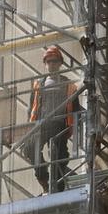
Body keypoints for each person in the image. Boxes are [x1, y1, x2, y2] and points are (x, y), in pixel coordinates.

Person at [23, 46, 81, 193]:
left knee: (58, 154)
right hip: (42, 123)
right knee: (30, 148)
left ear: (60, 63)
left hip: (60, 124)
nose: (52, 64)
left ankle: (57, 187)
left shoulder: (69, 85)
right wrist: (30, 127)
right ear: (45, 63)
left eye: (54, 61)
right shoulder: (38, 84)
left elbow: (76, 109)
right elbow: (33, 107)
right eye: (49, 62)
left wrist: (73, 127)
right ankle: (44, 178)